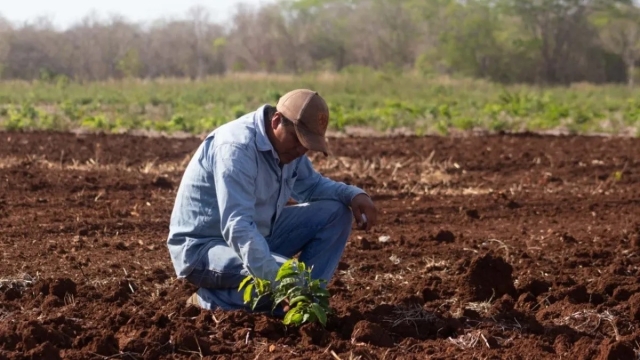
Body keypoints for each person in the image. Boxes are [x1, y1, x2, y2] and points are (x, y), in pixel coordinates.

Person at [166, 89, 377, 314]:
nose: (300, 150)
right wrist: (280, 282)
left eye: (306, 144)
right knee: (291, 278)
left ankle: (304, 303)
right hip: (204, 248)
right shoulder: (237, 149)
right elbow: (238, 227)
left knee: (336, 213)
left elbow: (312, 187)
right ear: (276, 121)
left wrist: (353, 194)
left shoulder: (289, 151)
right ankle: (212, 300)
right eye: (297, 139)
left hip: (258, 234)